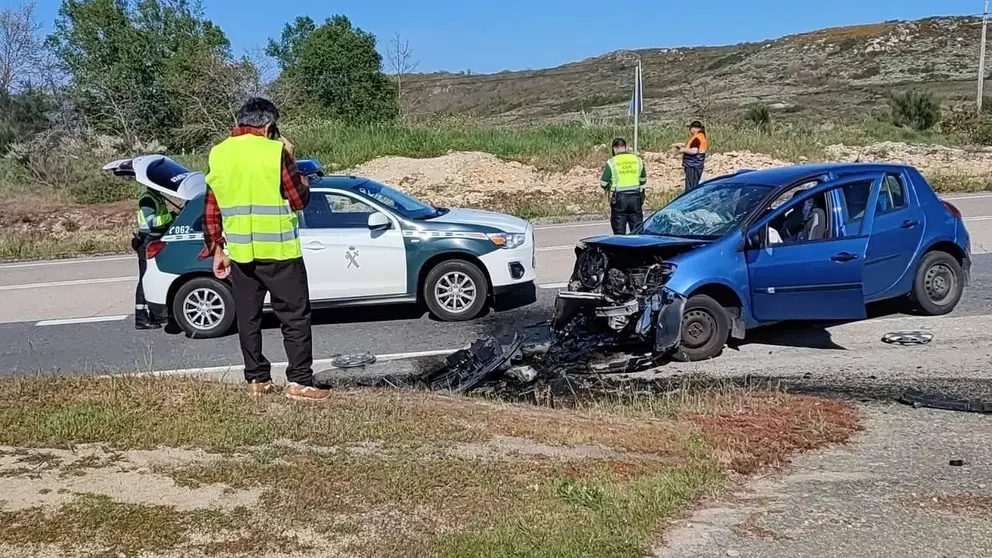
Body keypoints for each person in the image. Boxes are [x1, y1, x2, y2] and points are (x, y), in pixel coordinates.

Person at [199, 97, 329, 401]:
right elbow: (299, 199)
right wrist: (291, 158)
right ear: (269, 125)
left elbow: (211, 206)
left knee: (248, 317)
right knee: (294, 318)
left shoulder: (219, 153)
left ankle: (257, 379)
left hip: (241, 253)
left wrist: (217, 249)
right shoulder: (275, 152)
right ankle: (299, 381)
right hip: (281, 252)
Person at [134, 186, 174, 329]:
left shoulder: (156, 197)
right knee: (145, 278)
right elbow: (151, 223)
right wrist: (170, 217)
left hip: (154, 240)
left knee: (151, 277)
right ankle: (141, 317)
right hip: (146, 241)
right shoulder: (147, 199)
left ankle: (152, 314)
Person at [600, 137, 647, 235]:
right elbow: (643, 180)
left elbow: (603, 183)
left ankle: (621, 249)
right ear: (626, 147)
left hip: (620, 199)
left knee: (619, 231)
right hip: (636, 198)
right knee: (637, 230)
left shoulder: (612, 162)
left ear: (614, 149)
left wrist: (609, 188)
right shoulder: (637, 160)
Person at [676, 120, 708, 192]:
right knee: (694, 184)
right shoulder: (701, 136)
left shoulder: (697, 138)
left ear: (693, 128)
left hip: (693, 165)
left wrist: (683, 150)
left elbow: (694, 151)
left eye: (690, 128)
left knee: (690, 187)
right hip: (697, 165)